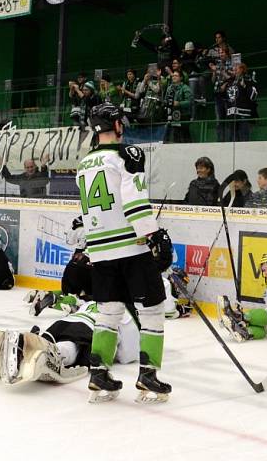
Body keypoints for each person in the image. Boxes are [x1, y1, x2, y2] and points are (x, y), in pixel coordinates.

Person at [77, 102, 173, 403]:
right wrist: (153, 233)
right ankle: (148, 376)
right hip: (130, 246)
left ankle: (98, 373)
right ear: (116, 125)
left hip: (100, 250)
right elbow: (133, 199)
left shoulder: (84, 163)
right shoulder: (126, 154)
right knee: (153, 310)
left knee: (109, 312)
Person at [0, 300, 138, 386]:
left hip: (62, 323)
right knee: (71, 349)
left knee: (44, 340)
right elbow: (127, 355)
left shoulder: (95, 301)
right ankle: (48, 354)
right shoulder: (127, 314)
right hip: (89, 330)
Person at [223, 62, 258, 142]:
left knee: (243, 139)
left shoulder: (247, 80)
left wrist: (245, 86)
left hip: (243, 115)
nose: (234, 70)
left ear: (242, 69)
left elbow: (253, 96)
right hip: (231, 116)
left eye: (236, 68)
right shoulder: (230, 81)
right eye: (233, 69)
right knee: (232, 140)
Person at [210, 45, 235, 142]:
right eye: (219, 53)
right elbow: (213, 81)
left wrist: (224, 79)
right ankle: (220, 141)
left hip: (228, 93)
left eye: (222, 52)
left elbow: (231, 78)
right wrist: (213, 72)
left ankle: (229, 141)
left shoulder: (232, 63)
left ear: (227, 53)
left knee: (228, 118)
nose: (221, 54)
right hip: (217, 93)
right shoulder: (218, 64)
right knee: (219, 119)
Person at [163, 69, 192, 143]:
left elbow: (189, 102)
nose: (174, 77)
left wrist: (179, 103)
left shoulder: (185, 88)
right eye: (173, 76)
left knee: (185, 135)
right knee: (175, 136)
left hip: (184, 115)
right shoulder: (169, 88)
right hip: (172, 115)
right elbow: (165, 99)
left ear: (181, 78)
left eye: (176, 76)